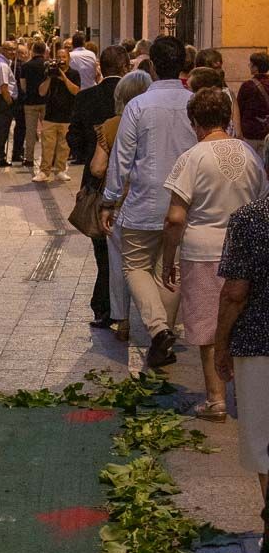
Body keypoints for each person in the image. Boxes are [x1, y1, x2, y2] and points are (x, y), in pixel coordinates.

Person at [161, 88, 267, 420]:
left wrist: (168, 258)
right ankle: (247, 398)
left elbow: (176, 217)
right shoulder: (250, 153)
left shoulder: (191, 158)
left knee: (208, 327)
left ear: (195, 122)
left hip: (203, 250)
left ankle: (216, 399)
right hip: (247, 250)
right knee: (243, 323)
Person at [100, 36, 197, 368]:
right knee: (170, 270)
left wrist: (109, 200)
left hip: (145, 200)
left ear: (152, 66)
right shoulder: (194, 102)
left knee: (135, 266)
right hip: (185, 202)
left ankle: (158, 331)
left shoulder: (137, 106)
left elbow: (121, 159)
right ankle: (163, 336)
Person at [215, 187, 269, 509]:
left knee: (263, 444)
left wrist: (221, 345)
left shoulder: (250, 218)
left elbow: (235, 293)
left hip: (258, 343)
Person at [69, 45, 131, 327]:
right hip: (131, 184)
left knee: (101, 246)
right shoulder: (136, 98)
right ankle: (120, 305)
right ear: (126, 66)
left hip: (96, 183)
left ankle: (104, 304)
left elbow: (74, 138)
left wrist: (88, 152)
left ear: (99, 69)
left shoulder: (85, 98)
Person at [90, 70, 153, 343]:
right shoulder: (156, 121)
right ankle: (159, 324)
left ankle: (122, 320)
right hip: (152, 198)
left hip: (120, 202)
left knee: (119, 263)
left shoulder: (112, 125)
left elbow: (97, 167)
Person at [33, 46, 81, 183]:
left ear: (69, 59)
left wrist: (64, 77)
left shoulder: (74, 74)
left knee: (64, 146)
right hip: (50, 115)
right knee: (47, 146)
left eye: (64, 57)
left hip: (67, 116)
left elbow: (76, 91)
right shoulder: (49, 72)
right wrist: (49, 77)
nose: (61, 60)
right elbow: (41, 92)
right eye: (59, 57)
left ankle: (60, 170)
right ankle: (44, 171)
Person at [20, 40, 48, 168]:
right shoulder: (47, 65)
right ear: (44, 51)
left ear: (33, 51)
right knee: (47, 132)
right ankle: (48, 158)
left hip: (30, 102)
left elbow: (23, 85)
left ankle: (29, 158)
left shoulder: (25, 66)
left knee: (30, 132)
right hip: (46, 102)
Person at [236, 52, 269, 152]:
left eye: (251, 64)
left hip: (250, 133)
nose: (249, 66)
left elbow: (239, 109)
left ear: (255, 67)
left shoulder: (247, 86)